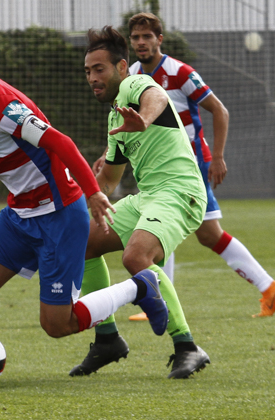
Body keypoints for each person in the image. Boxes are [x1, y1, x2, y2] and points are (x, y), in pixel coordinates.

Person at [0, 36, 171, 385]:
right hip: (20, 214)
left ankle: (140, 287)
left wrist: (93, 193)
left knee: (57, 325)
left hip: (59, 216)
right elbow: (8, 149)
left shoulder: (0, 105)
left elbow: (59, 142)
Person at [106, 12, 275, 320]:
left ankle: (160, 301)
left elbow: (219, 110)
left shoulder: (179, 72)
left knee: (169, 223)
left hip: (189, 166)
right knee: (202, 233)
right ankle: (269, 288)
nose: (140, 42)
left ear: (159, 40)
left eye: (147, 36)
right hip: (161, 168)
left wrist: (217, 156)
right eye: (135, 37)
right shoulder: (133, 72)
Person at [70, 26, 211, 379]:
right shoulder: (116, 117)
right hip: (148, 197)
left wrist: (143, 120)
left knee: (136, 257)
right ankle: (107, 340)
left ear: (121, 68)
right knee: (83, 244)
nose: (92, 78)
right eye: (87, 72)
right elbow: (109, 182)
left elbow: (157, 98)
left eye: (99, 69)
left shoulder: (135, 86)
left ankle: (187, 346)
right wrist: (66, 193)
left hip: (180, 192)